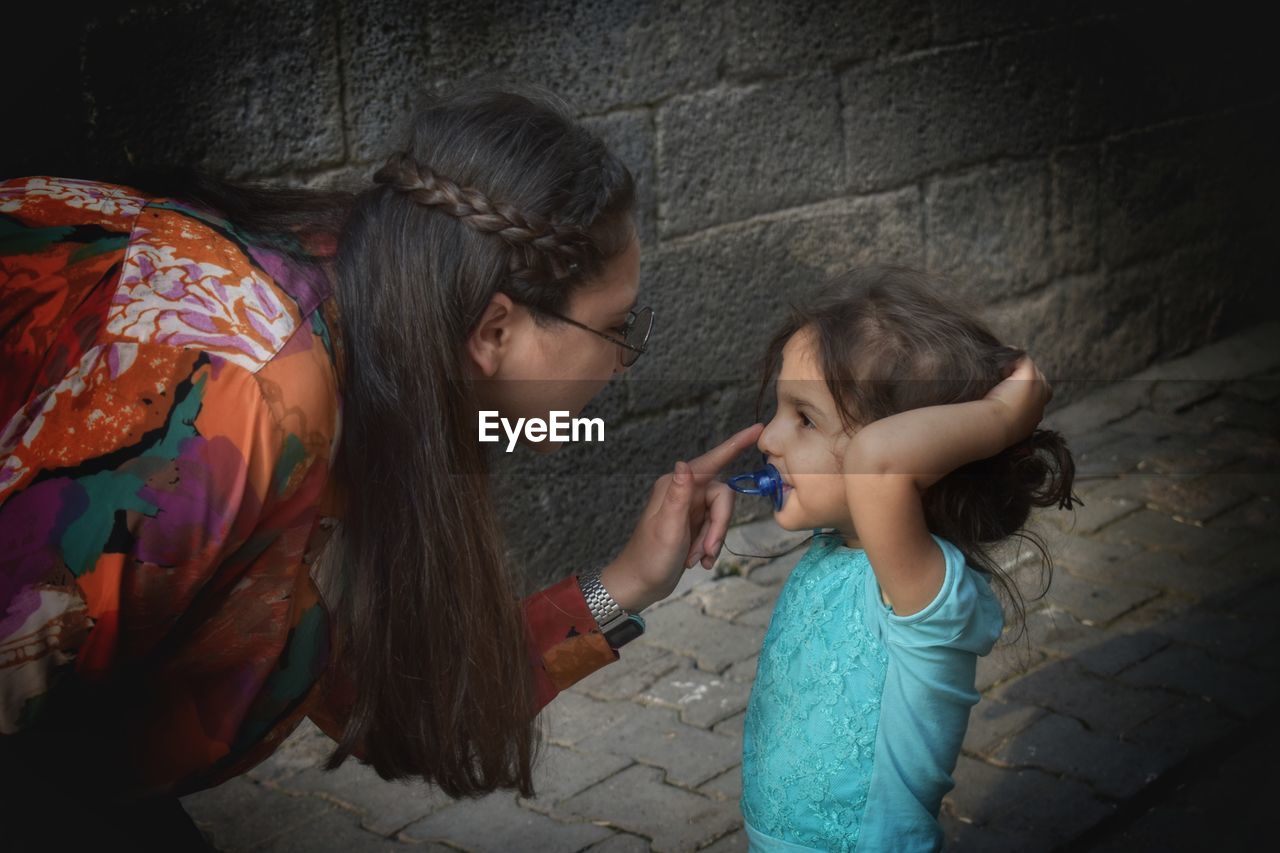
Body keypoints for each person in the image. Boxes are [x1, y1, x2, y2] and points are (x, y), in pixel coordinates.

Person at [0, 86, 762, 848]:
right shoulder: (247, 407)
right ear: (495, 329)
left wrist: (627, 583)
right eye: (615, 327)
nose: (626, 362)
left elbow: (395, 700)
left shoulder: (389, 331)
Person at [738, 266, 1078, 851]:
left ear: (913, 454)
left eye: (805, 419)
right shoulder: (834, 547)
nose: (768, 438)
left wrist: (1003, 419)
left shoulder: (920, 594)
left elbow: (876, 461)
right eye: (779, 411)